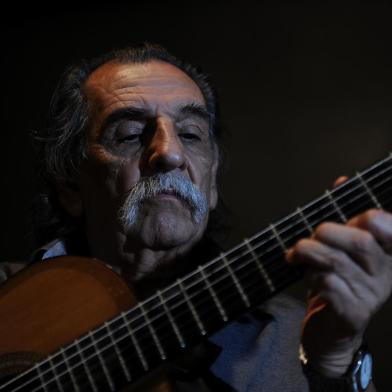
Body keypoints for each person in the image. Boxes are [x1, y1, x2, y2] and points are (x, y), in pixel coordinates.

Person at [2, 42, 392, 391]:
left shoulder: (298, 333)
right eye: (129, 134)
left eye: (190, 134)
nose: (170, 153)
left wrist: (333, 364)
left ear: (211, 181)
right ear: (70, 185)